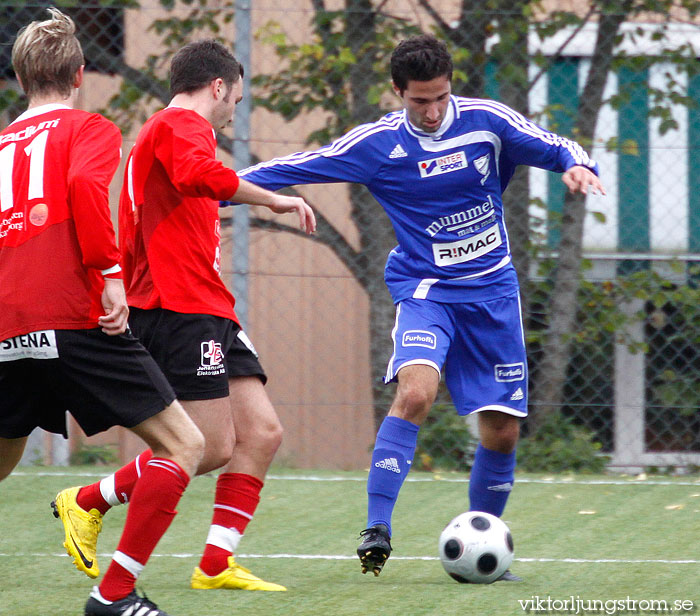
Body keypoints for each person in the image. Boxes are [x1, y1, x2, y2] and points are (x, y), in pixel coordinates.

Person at [230, 34, 606, 579]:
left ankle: (485, 549)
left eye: (439, 98)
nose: (431, 112)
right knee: (416, 391)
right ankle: (377, 527)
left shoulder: (486, 121)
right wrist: (209, 187)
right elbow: (298, 166)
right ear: (397, 93)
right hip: (426, 291)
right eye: (418, 101)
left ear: (451, 87)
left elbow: (553, 144)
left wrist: (576, 165)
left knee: (502, 430)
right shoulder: (378, 146)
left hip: (492, 292)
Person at [54, 39, 316, 592]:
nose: (232, 113)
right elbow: (203, 176)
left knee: (262, 432)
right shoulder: (181, 125)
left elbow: (190, 191)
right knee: (209, 447)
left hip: (208, 305)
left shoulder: (171, 135)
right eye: (235, 100)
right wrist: (273, 197)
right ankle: (87, 501)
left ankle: (215, 564)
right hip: (179, 308)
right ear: (217, 87)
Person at [0, 9, 206, 616]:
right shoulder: (88, 129)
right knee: (184, 446)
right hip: (69, 314)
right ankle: (113, 596)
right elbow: (89, 195)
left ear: (18, 79)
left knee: (4, 457)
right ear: (80, 75)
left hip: (8, 324)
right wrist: (110, 275)